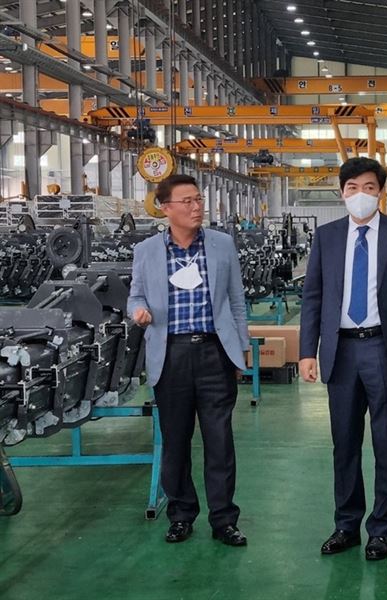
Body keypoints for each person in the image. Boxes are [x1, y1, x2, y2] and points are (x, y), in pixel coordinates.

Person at [299, 157, 387, 561]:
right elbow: (313, 295)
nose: (360, 195)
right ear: (342, 193)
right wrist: (307, 351)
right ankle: (346, 525)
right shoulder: (328, 236)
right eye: (352, 188)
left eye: (369, 187)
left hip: (385, 349)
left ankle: (380, 530)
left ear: (380, 192)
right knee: (345, 443)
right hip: (341, 351)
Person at [128, 174, 249, 547]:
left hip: (215, 352)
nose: (197, 207)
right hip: (171, 355)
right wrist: (138, 312)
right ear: (165, 208)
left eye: (199, 200)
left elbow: (237, 300)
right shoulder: (146, 250)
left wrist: (241, 349)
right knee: (176, 441)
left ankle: (224, 519)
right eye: (187, 201)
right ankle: (181, 515)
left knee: (219, 440)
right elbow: (135, 295)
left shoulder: (221, 245)